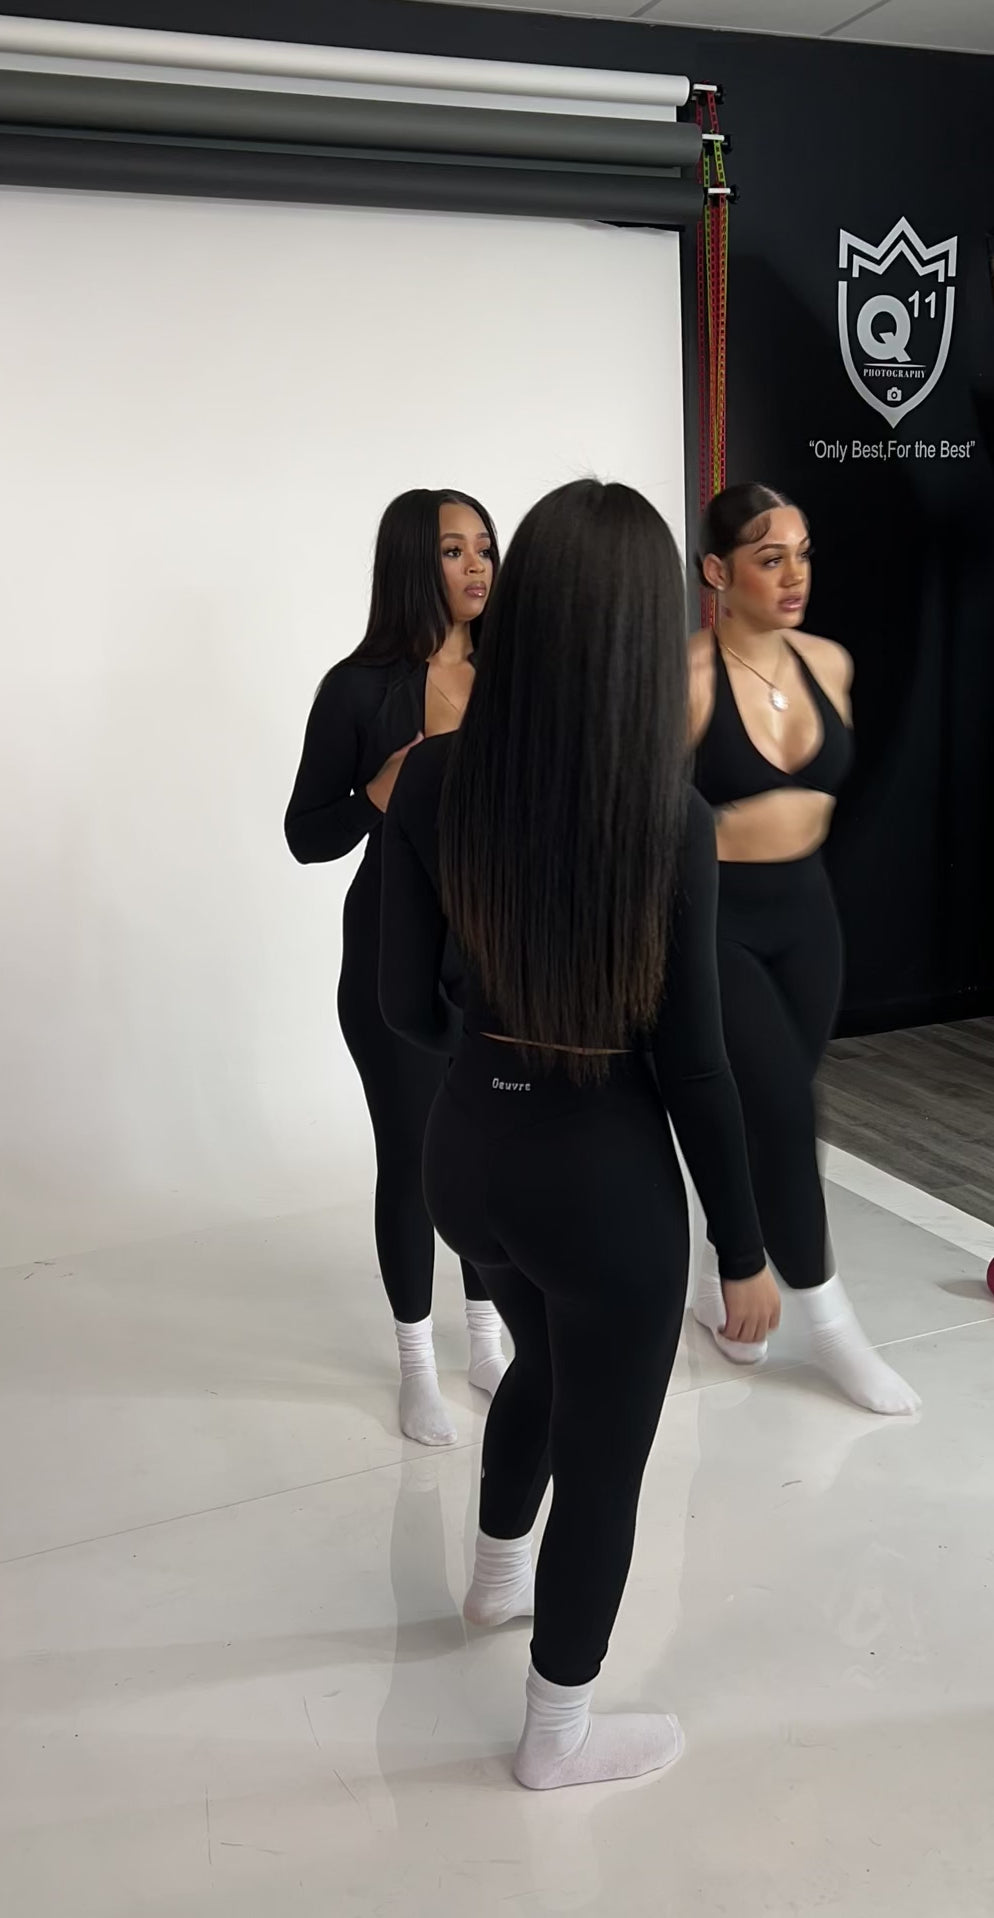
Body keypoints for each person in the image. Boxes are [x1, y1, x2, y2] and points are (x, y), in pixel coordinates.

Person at [379, 480, 781, 1791]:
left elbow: (402, 1006)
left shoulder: (433, 775)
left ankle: (495, 1577)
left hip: (465, 1163)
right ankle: (555, 1738)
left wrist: (494, 1040)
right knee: (604, 1463)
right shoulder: (668, 818)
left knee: (542, 1363)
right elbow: (695, 1067)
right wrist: (743, 1249)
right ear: (639, 634)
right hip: (600, 1193)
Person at [688, 482, 919, 1416]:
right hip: (717, 921)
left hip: (808, 914)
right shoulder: (685, 681)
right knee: (787, 1108)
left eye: (803, 553)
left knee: (775, 1110)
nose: (794, 575)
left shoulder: (831, 661)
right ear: (717, 571)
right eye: (769, 557)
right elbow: (641, 827)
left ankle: (718, 1280)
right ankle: (830, 1324)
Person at [285, 488, 507, 1447]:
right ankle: (417, 1360)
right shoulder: (357, 688)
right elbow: (306, 835)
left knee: (492, 1151)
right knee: (414, 1155)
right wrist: (375, 791)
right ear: (413, 562)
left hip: (497, 952)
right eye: (454, 550)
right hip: (394, 950)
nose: (477, 565)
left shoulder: (514, 672)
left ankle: (486, 1339)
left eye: (485, 547)